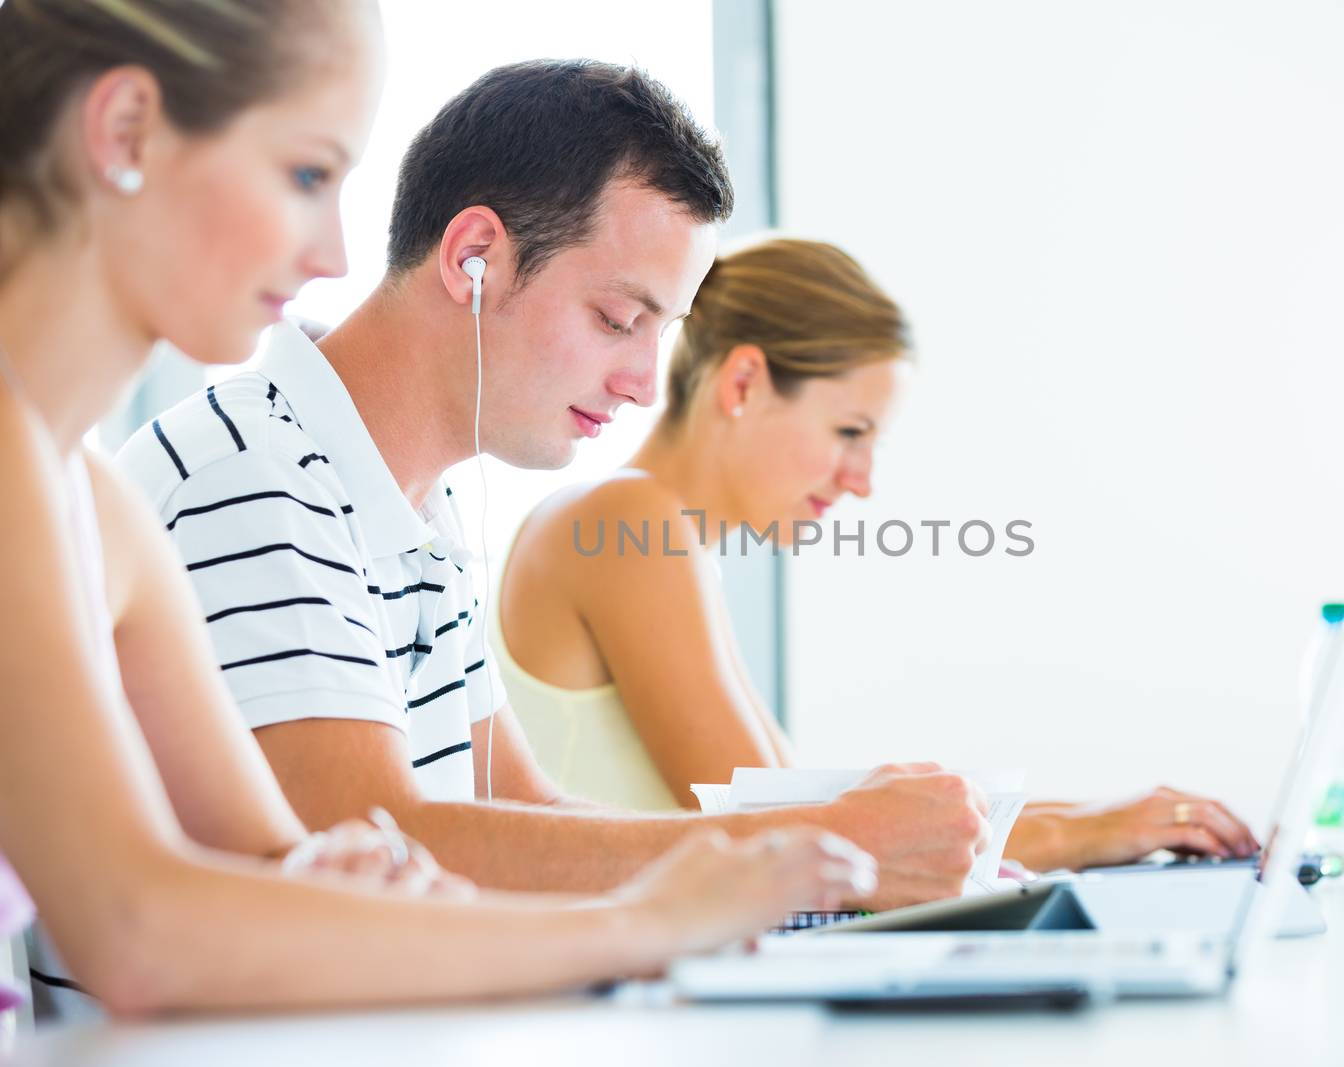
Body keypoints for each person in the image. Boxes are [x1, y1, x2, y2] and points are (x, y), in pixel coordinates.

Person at [0, 0, 871, 1021]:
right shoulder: (224, 475)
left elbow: (289, 870)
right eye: (306, 175)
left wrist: (355, 881)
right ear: (126, 133)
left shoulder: (93, 499)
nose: (332, 249)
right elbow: (144, 929)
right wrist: (651, 917)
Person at [115, 59, 988, 911]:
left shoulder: (421, 509)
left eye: (661, 334)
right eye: (617, 320)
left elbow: (521, 811)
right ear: (475, 258)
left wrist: (803, 859)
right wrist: (815, 850)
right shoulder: (254, 478)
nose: (646, 381)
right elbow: (377, 836)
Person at [497, 237, 1261, 872]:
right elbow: (805, 836)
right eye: (849, 432)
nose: (861, 481)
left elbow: (829, 816)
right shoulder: (628, 523)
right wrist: (1084, 833)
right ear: (744, 382)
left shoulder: (661, 538)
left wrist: (1099, 819)